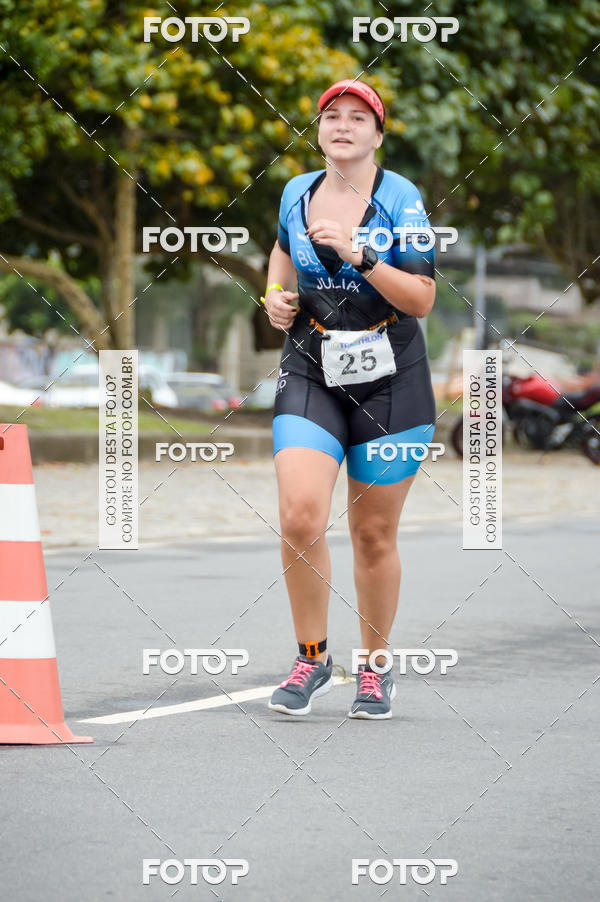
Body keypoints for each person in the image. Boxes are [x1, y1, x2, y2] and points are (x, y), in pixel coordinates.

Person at [263, 79, 436, 719]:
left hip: (392, 375)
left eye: (357, 118)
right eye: (331, 116)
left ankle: (375, 668)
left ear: (377, 134)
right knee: (301, 515)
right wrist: (274, 300)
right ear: (319, 131)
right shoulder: (295, 192)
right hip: (311, 364)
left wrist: (360, 256)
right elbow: (281, 254)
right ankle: (312, 657)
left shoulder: (402, 200)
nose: (342, 125)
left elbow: (421, 298)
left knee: (371, 533)